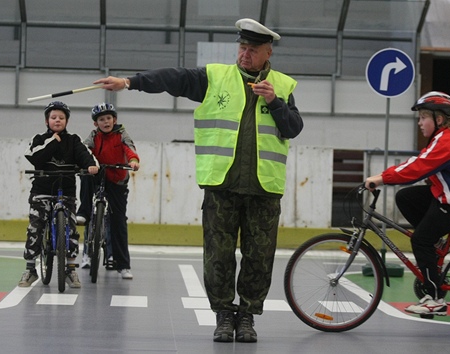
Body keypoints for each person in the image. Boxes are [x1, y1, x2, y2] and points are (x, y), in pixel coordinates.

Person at [92, 18, 303, 342]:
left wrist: (273, 102)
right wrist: (130, 82)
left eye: (253, 50)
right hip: (221, 186)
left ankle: (246, 317)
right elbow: (173, 78)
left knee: (258, 258)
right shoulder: (216, 77)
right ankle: (222, 315)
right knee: (217, 255)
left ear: (267, 51)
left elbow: (292, 128)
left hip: (263, 189)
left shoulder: (284, 86)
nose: (245, 55)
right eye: (242, 48)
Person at [365, 91, 450, 315]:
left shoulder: (446, 142)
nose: (419, 122)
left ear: (438, 119)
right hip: (448, 197)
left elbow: (417, 168)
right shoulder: (440, 139)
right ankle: (436, 241)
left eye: (423, 117)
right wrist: (385, 176)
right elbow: (416, 162)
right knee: (405, 197)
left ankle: (435, 298)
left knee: (420, 240)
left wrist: (381, 178)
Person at [19, 101, 99, 288]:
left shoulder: (74, 140)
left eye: (61, 118)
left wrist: (91, 166)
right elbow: (33, 157)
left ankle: (70, 269)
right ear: (47, 121)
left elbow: (86, 156)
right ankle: (31, 269)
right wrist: (53, 141)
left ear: (67, 121)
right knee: (35, 227)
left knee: (71, 229)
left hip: (66, 192)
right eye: (53, 117)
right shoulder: (39, 139)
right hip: (42, 191)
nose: (57, 120)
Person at [77, 102, 140, 280]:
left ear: (115, 120)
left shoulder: (121, 134)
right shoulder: (94, 135)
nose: (106, 122)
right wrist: (87, 163)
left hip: (117, 178)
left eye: (109, 118)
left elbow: (130, 149)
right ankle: (84, 211)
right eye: (101, 120)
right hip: (97, 174)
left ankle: (123, 265)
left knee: (118, 221)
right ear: (96, 123)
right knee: (85, 177)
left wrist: (133, 161)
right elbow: (85, 149)